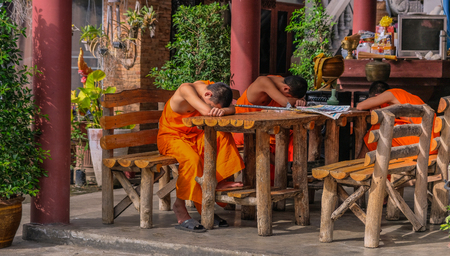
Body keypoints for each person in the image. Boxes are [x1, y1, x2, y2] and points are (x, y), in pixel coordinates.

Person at [157, 80, 245, 233]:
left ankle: (217, 181)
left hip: (194, 135)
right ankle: (179, 206)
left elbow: (235, 108)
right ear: (208, 94)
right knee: (192, 160)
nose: (214, 109)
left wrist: (223, 110)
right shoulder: (186, 89)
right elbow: (206, 111)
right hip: (171, 137)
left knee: (223, 135)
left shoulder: (208, 87)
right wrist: (217, 110)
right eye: (213, 106)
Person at [232, 75, 308, 185]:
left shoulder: (282, 82)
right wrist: (296, 101)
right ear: (285, 89)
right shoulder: (263, 81)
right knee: (266, 140)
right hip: (244, 128)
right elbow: (286, 103)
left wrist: (300, 100)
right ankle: (283, 167)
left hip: (267, 127)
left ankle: (291, 169)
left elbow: (290, 100)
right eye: (289, 95)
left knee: (292, 134)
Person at [356, 81, 439, 158]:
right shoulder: (406, 96)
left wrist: (374, 104)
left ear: (378, 96)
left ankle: (359, 166)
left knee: (376, 130)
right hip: (432, 144)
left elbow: (360, 106)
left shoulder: (390, 94)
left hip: (425, 144)